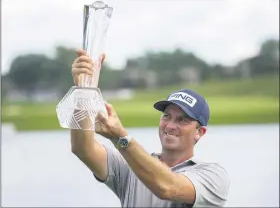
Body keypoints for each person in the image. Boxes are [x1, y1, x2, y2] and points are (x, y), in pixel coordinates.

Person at [70, 48, 230, 207]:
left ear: (199, 132)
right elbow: (82, 148)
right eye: (167, 116)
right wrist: (84, 91)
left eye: (183, 120)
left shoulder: (213, 176)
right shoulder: (133, 165)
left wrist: (120, 137)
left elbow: (167, 187)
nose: (171, 125)